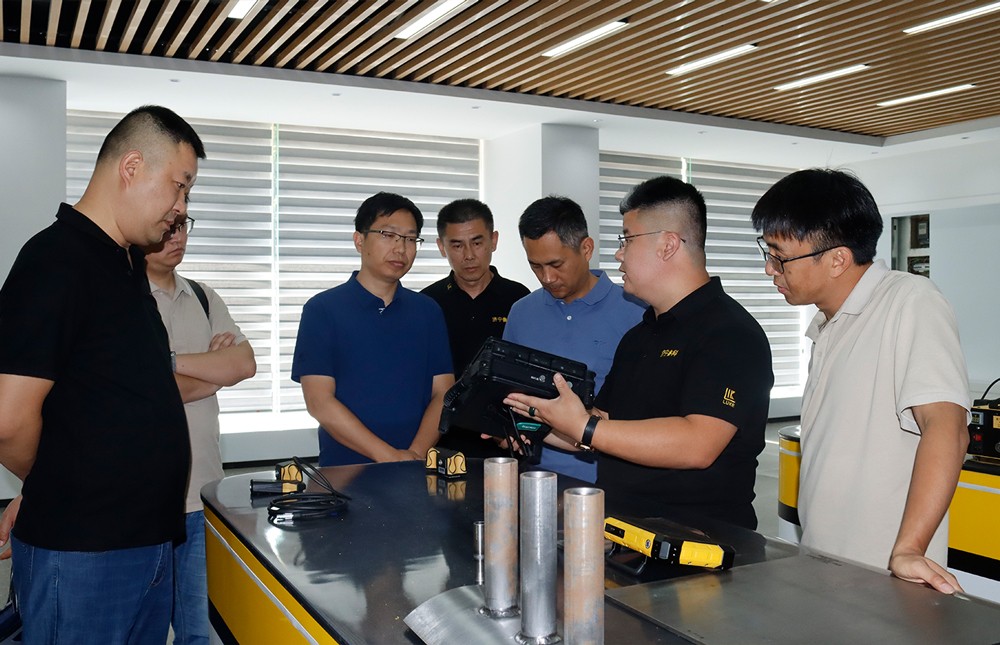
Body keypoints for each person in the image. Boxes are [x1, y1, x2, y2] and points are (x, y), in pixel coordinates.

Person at [0, 105, 203, 643]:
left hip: (148, 541)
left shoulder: (127, 264)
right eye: (179, 187)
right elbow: (8, 420)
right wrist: (49, 485)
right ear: (131, 167)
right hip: (85, 551)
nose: (181, 208)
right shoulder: (55, 260)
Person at [506, 177, 773, 529]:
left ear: (667, 245)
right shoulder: (639, 336)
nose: (619, 253)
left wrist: (584, 427)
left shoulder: (730, 332)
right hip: (624, 533)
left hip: (699, 542)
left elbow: (698, 444)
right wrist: (531, 419)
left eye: (627, 239)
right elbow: (603, 428)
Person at [751, 168, 970, 592]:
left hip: (886, 578)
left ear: (837, 259)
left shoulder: (911, 301)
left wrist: (909, 549)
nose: (769, 269)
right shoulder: (827, 324)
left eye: (780, 257)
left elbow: (947, 427)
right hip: (826, 566)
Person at [144, 215, 256, 644]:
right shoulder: (122, 299)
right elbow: (140, 388)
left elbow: (243, 364)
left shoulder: (203, 296)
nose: (177, 237)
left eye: (183, 226)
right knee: (143, 631)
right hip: (142, 503)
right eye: (168, 227)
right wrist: (213, 372)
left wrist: (169, 361)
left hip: (203, 494)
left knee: (200, 633)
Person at [292, 192, 455, 467]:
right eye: (388, 235)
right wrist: (389, 456)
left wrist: (414, 455)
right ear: (359, 240)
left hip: (415, 468)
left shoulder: (428, 311)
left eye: (410, 239)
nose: (400, 248)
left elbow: (443, 394)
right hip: (345, 471)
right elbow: (319, 401)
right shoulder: (322, 309)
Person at [503, 196, 645, 482]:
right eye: (535, 266)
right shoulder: (521, 312)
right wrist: (506, 429)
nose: (547, 277)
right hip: (534, 479)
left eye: (556, 264)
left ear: (586, 248)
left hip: (611, 483)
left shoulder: (637, 312)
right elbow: (509, 394)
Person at [421, 198, 529, 457]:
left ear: (494, 240)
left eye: (477, 243)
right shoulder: (427, 304)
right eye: (457, 245)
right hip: (440, 441)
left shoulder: (520, 300)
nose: (469, 255)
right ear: (441, 247)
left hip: (505, 441)